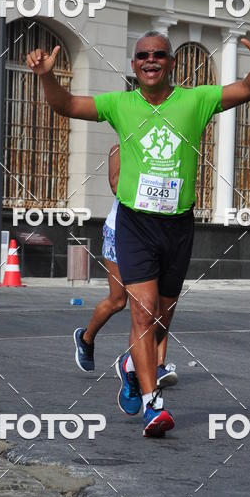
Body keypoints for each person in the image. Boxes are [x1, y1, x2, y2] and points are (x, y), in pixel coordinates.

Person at [27, 30, 250, 437]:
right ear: (133, 65)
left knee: (160, 319)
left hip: (178, 225)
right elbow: (66, 105)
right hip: (135, 223)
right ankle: (152, 404)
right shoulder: (120, 104)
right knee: (141, 310)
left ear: (171, 63)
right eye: (143, 55)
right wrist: (46, 76)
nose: (150, 60)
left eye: (159, 54)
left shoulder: (196, 100)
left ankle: (131, 364)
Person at [73, 144, 178, 410]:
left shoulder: (166, 150)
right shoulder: (120, 149)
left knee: (158, 305)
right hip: (121, 231)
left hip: (157, 235)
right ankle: (86, 339)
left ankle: (157, 365)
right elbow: (116, 185)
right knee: (118, 300)